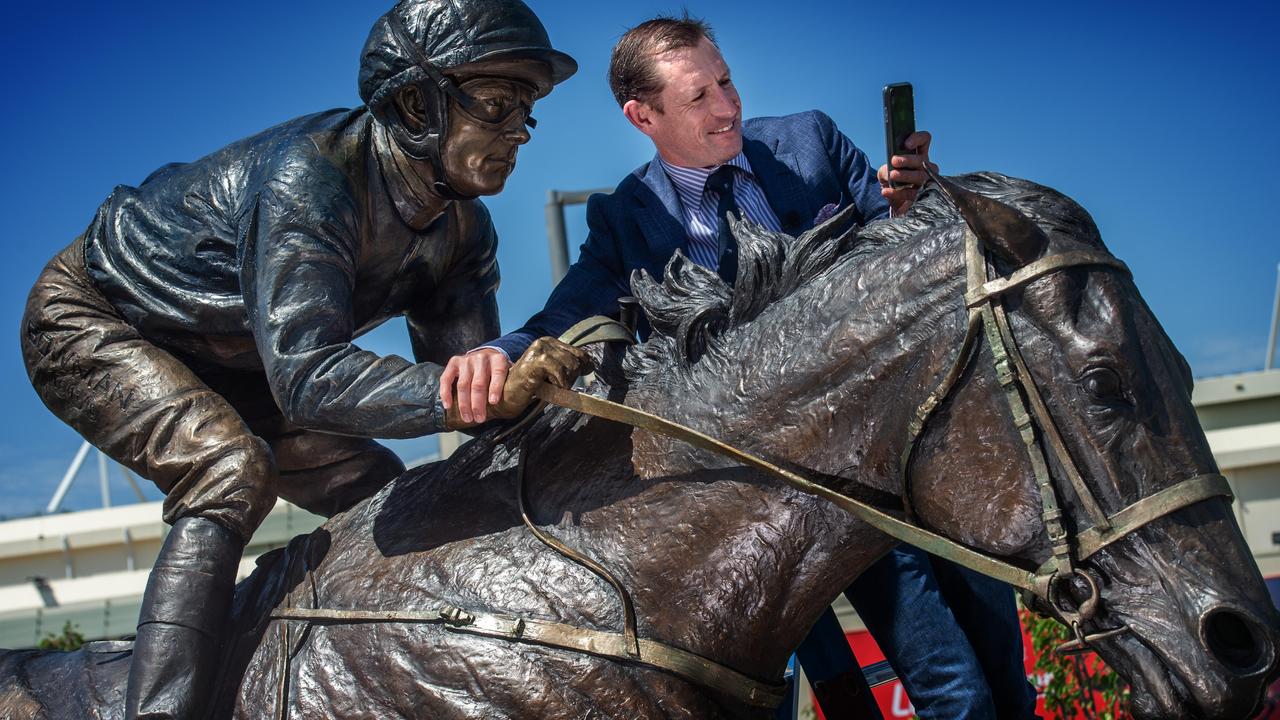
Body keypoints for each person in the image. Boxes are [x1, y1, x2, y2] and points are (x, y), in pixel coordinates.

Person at [440, 16, 1038, 719]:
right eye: (698, 97)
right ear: (643, 116)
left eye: (725, 81)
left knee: (1002, 684)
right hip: (781, 496)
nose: (727, 107)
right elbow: (560, 319)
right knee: (934, 695)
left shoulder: (810, 141)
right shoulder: (627, 219)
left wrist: (920, 200)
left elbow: (909, 259)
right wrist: (491, 354)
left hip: (913, 454)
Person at [19, 2, 588, 718]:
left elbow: (474, 402)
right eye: (500, 105)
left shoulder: (465, 233)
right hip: (98, 317)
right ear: (416, 104)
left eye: (526, 113)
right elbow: (311, 379)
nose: (518, 134)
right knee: (229, 469)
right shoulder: (310, 179)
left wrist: (547, 400)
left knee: (380, 492)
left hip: (245, 357)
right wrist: (464, 394)